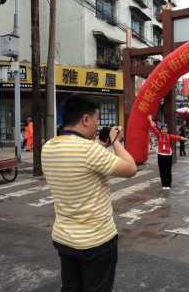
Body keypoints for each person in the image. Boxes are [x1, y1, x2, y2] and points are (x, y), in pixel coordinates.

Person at [41, 94, 137, 292]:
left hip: (64, 238)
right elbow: (130, 169)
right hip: (96, 241)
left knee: (70, 288)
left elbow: (78, 157)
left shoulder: (48, 147)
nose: (97, 124)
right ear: (85, 119)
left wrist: (100, 145)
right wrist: (116, 141)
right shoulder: (89, 152)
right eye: (96, 118)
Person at [148, 115, 189, 190]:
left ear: (167, 130)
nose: (164, 131)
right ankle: (163, 184)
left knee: (168, 170)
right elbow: (153, 128)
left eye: (165, 129)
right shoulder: (159, 136)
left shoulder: (170, 137)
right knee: (161, 170)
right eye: (162, 129)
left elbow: (179, 137)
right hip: (161, 155)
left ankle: (168, 184)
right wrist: (150, 119)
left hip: (168, 155)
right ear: (161, 130)